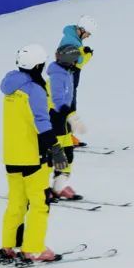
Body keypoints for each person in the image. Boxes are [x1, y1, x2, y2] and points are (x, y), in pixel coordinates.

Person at [0, 44, 67, 265]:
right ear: (38, 65)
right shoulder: (34, 90)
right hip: (33, 156)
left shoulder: (11, 88)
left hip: (12, 155)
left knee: (17, 202)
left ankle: (8, 246)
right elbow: (41, 122)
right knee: (40, 203)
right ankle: (33, 249)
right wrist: (55, 148)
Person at [46, 44, 84, 200]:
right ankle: (42, 188)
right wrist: (71, 117)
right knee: (53, 155)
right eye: (75, 60)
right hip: (54, 118)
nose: (76, 63)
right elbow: (58, 100)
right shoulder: (57, 76)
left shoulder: (65, 72)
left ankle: (59, 186)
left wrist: (72, 117)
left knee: (68, 153)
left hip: (63, 118)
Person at [57, 16, 96, 144]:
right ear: (82, 30)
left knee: (70, 107)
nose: (88, 36)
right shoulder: (70, 40)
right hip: (66, 78)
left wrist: (82, 51)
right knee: (67, 107)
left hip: (69, 78)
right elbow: (77, 61)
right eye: (88, 33)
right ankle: (64, 138)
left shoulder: (73, 39)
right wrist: (88, 55)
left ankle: (69, 136)